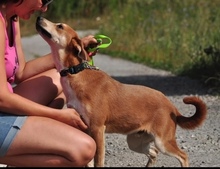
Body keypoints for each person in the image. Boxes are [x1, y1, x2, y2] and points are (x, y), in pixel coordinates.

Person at [0, 0, 99, 167]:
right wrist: (59, 116)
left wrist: (71, 50)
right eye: (44, 0)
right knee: (84, 149)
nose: (44, 8)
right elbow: (2, 98)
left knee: (61, 79)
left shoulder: (12, 19)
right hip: (3, 103)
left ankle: (23, 144)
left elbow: (21, 72)